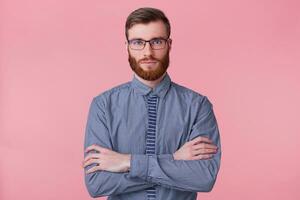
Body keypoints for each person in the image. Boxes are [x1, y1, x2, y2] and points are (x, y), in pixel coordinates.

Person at [82, 7, 221, 200]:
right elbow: (97, 184)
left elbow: (204, 177)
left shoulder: (198, 106)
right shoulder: (103, 106)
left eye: (157, 41)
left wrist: (126, 162)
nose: (148, 52)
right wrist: (173, 160)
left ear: (169, 45)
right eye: (138, 42)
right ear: (127, 46)